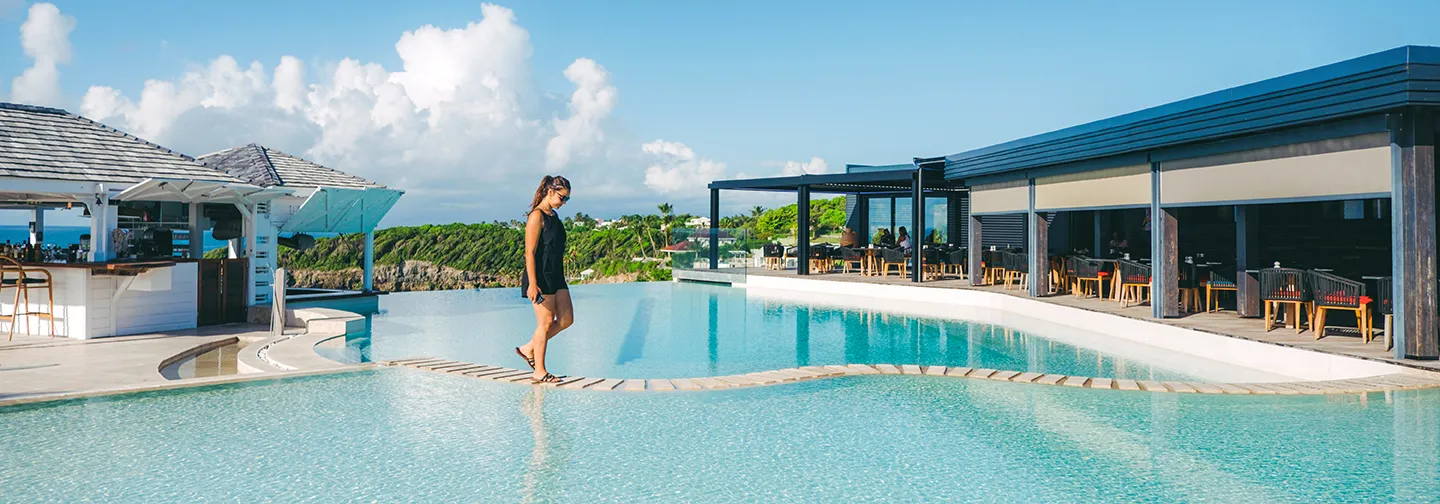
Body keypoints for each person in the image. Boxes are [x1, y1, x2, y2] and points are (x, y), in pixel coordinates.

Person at [515, 175, 573, 384]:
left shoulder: (554, 216)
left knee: (566, 320)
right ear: (550, 192)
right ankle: (539, 370)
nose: (564, 202)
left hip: (556, 274)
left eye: (567, 199)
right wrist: (532, 283)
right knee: (546, 322)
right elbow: (529, 252)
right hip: (540, 275)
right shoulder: (536, 217)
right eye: (562, 197)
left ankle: (529, 348)